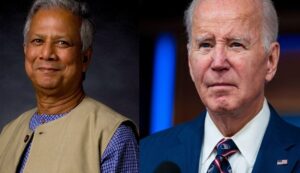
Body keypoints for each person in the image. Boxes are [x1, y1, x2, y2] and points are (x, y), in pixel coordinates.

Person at [140, 0, 300, 172]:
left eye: (236, 44)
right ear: (189, 61)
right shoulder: (145, 156)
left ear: (271, 60)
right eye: (205, 45)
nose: (218, 63)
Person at [0, 0, 138, 173]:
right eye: (37, 41)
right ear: (25, 50)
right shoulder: (7, 134)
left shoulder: (114, 136)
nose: (47, 53)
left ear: (85, 58)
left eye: (62, 43)